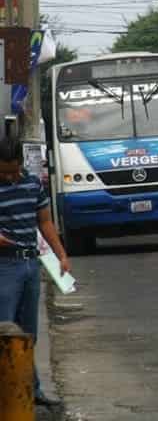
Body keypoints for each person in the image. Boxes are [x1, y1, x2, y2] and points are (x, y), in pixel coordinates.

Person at [0, 135, 71, 407]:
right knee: (5, 331)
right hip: (4, 266)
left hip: (31, 265)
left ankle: (32, 391)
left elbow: (45, 222)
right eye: (3, 172)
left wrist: (61, 255)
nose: (9, 177)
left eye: (14, 170)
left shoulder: (32, 184)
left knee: (29, 333)